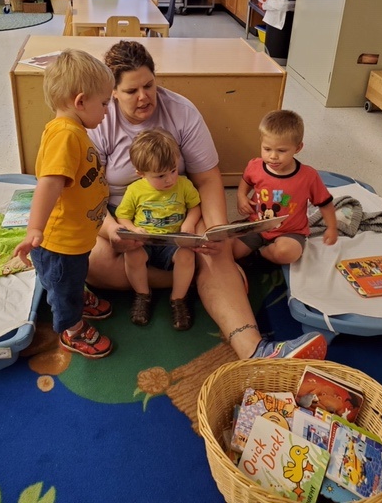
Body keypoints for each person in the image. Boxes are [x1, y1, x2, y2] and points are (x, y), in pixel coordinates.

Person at [85, 40, 328, 361]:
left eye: (149, 85)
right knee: (91, 262)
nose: (144, 96)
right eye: (132, 91)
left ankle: (255, 351)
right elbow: (87, 196)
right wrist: (113, 229)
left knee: (213, 251)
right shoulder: (100, 120)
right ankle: (195, 279)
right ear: (113, 92)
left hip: (180, 210)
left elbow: (208, 178)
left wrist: (216, 230)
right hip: (123, 214)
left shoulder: (181, 111)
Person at [14, 49, 115, 359]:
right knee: (63, 287)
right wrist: (34, 228)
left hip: (77, 238)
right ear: (80, 101)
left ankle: (74, 295)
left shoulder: (73, 130)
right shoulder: (65, 136)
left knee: (72, 277)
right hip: (60, 244)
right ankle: (72, 329)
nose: (107, 112)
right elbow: (48, 183)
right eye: (105, 104)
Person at [115, 128, 201, 330]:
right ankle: (142, 295)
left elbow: (195, 207)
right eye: (161, 176)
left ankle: (178, 299)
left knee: (187, 256)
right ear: (141, 173)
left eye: (173, 170)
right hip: (145, 241)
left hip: (173, 242)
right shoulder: (135, 190)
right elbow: (122, 216)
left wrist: (189, 223)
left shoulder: (184, 185)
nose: (170, 179)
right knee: (132, 255)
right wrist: (133, 230)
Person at [233, 109, 338, 265]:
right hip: (256, 225)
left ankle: (261, 254)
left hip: (290, 232)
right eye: (267, 149)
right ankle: (260, 249)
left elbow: (325, 203)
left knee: (288, 253)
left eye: (281, 151)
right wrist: (241, 196)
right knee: (231, 251)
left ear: (298, 148)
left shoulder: (308, 176)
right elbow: (246, 181)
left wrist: (332, 227)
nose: (273, 156)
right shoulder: (255, 165)